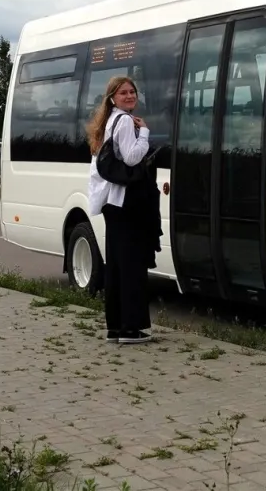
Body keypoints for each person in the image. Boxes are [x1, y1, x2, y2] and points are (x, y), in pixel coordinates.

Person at [86, 75, 158, 345]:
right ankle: (131, 328)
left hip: (111, 203)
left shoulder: (109, 121)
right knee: (132, 265)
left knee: (115, 265)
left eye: (132, 92)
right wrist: (146, 134)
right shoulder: (126, 121)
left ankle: (115, 327)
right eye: (123, 93)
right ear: (113, 98)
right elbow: (131, 157)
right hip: (126, 202)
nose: (129, 96)